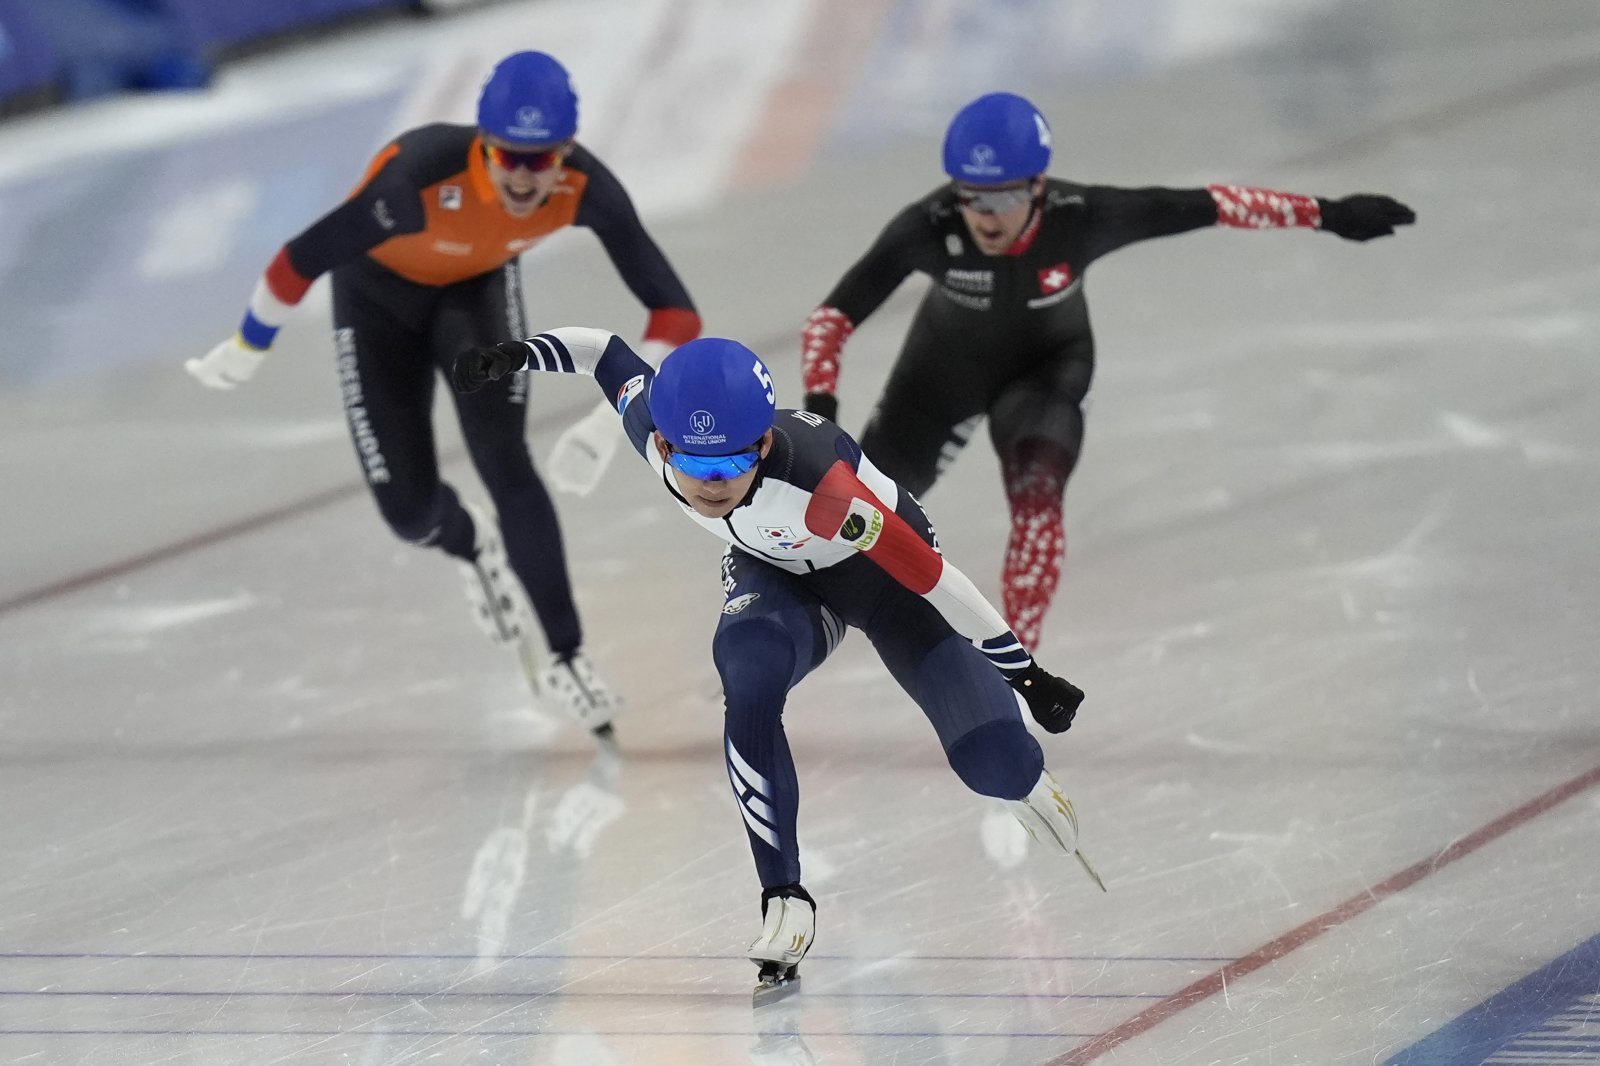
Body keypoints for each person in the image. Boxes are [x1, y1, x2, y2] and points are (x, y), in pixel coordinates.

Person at [451, 328, 1100, 997]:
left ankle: (1022, 775)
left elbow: (934, 579)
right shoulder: (652, 425)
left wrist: (1026, 675)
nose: (711, 487)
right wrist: (515, 353)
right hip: (777, 574)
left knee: (991, 764)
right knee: (748, 671)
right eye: (695, 469)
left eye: (731, 466)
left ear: (763, 445)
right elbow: (604, 353)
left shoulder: (826, 492)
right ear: (664, 445)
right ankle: (783, 897)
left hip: (879, 577)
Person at [184, 51, 703, 731]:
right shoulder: (413, 183)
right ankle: (467, 542)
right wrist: (248, 343)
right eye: (508, 156)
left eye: (540, 158)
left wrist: (611, 424)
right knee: (407, 512)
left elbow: (676, 314)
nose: (524, 175)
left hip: (475, 296)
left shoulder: (586, 188)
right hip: (375, 304)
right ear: (484, 145)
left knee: (504, 459)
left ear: (566, 151)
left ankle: (568, 654)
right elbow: (300, 259)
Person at [796, 92, 1417, 650]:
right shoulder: (928, 228)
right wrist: (820, 409)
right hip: (936, 383)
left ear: (1038, 186)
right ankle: (780, 635)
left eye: (1006, 195)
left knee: (1038, 507)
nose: (986, 215)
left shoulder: (1082, 216)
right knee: (843, 516)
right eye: (972, 196)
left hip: (1045, 374)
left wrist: (1327, 213)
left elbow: (1209, 205)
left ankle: (1017, 666)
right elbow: (833, 316)